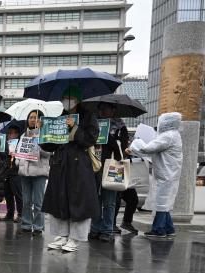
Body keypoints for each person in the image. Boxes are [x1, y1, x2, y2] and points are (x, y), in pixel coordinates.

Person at [41, 86, 100, 253]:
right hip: (60, 164)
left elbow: (90, 139)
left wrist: (75, 127)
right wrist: (42, 132)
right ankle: (61, 234)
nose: (66, 101)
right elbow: (49, 144)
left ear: (77, 99)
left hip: (79, 164)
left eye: (70, 97)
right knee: (59, 199)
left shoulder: (88, 116)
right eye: (64, 97)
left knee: (78, 200)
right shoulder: (59, 117)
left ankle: (75, 237)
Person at [126, 112, 183, 239]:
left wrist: (137, 141)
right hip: (169, 173)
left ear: (166, 123)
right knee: (164, 202)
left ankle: (159, 230)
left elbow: (148, 148)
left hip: (166, 174)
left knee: (162, 203)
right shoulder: (174, 135)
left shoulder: (167, 136)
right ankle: (169, 228)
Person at [89, 103, 128, 242]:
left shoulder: (120, 127)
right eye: (100, 108)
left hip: (112, 166)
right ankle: (95, 229)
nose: (103, 111)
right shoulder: (93, 124)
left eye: (106, 108)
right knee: (95, 200)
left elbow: (122, 147)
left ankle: (107, 230)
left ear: (113, 110)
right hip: (94, 165)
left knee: (110, 202)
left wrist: (108, 138)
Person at [17, 110, 50, 236]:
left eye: (35, 117)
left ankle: (38, 227)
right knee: (26, 201)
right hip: (25, 173)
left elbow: (48, 154)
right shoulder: (23, 135)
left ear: (40, 120)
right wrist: (17, 162)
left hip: (39, 173)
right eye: (30, 117)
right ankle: (26, 225)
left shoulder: (44, 134)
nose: (32, 119)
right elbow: (19, 151)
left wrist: (39, 143)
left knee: (38, 202)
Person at [1, 124, 23, 224]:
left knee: (18, 193)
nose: (11, 135)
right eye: (9, 133)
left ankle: (20, 214)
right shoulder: (5, 143)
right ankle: (10, 213)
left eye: (13, 133)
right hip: (6, 171)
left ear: (17, 134)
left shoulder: (21, 143)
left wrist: (15, 153)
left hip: (16, 171)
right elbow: (2, 155)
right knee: (7, 193)